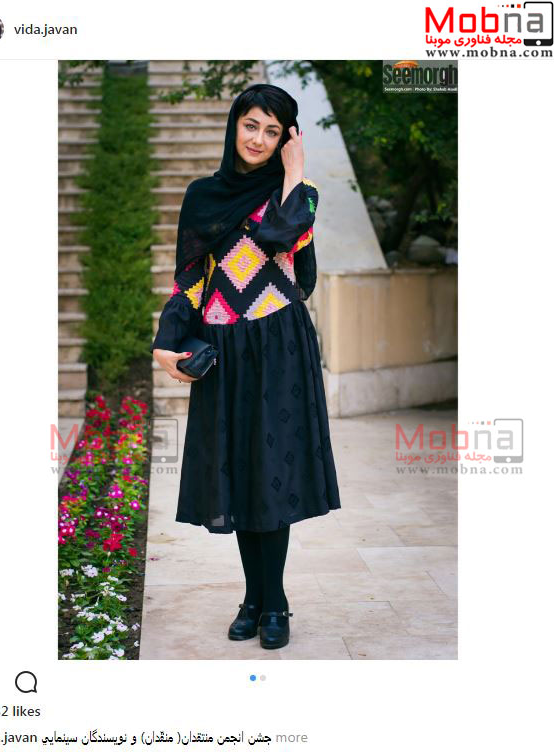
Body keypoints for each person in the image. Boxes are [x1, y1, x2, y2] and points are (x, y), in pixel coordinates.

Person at [151, 83, 341, 651]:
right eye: (251, 125)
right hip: (226, 348)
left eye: (273, 131)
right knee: (240, 472)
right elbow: (189, 279)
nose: (258, 139)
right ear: (235, 124)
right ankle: (254, 599)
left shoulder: (300, 195)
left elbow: (282, 240)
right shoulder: (203, 196)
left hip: (280, 344)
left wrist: (295, 172)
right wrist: (166, 342)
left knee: (272, 472)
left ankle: (273, 602)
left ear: (287, 140)